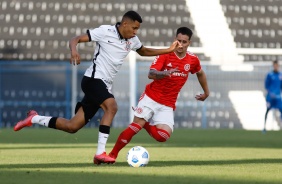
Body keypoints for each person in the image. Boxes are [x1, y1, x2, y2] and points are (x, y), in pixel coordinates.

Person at [13, 10, 180, 165]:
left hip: (103, 85)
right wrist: (74, 50)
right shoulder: (105, 31)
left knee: (72, 126)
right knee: (112, 107)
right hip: (92, 80)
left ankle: (33, 118)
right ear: (125, 24)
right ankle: (100, 153)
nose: (136, 32)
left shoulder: (132, 40)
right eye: (134, 28)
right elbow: (75, 39)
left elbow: (143, 51)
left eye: (138, 29)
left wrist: (168, 50)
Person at [108, 27, 209, 162]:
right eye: (178, 41)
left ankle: (145, 124)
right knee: (135, 127)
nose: (181, 44)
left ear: (189, 43)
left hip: (168, 103)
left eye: (184, 42)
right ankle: (112, 155)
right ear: (175, 40)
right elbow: (151, 74)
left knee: (163, 136)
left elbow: (200, 73)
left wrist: (206, 92)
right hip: (151, 97)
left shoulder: (192, 60)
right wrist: (163, 73)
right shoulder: (165, 55)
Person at [263, 60, 282, 133]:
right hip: (270, 97)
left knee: (281, 110)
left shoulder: (280, 75)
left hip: (278, 97)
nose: (276, 67)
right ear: (273, 66)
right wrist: (270, 93)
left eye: (277, 65)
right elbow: (266, 86)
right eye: (274, 65)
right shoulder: (269, 75)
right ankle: (264, 127)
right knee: (267, 111)